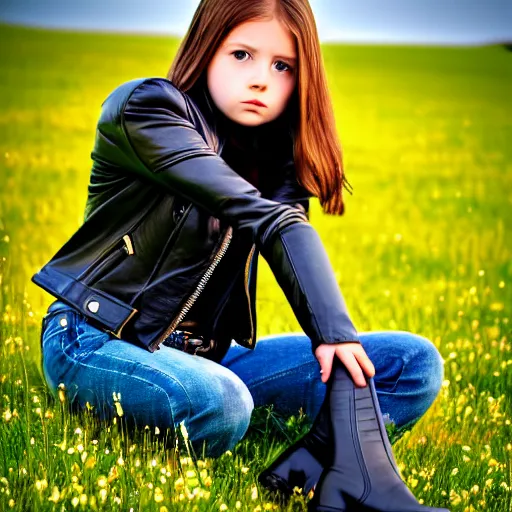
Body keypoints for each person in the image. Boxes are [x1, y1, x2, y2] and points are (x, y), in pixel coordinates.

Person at [33, 0, 446, 508]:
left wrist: (337, 347)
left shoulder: (276, 155)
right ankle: (219, 415)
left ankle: (313, 462)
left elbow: (285, 236)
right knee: (223, 404)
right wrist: (331, 333)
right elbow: (270, 221)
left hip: (207, 357)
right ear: (207, 48)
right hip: (95, 338)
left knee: (411, 364)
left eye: (282, 66)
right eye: (242, 55)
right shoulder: (148, 110)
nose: (260, 80)